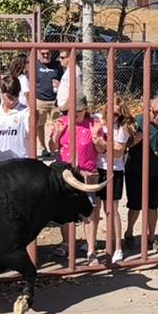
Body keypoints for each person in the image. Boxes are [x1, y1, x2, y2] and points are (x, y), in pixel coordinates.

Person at [49, 94, 99, 264]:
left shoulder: (93, 123)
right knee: (65, 210)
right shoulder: (62, 122)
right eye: (72, 110)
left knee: (88, 212)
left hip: (87, 173)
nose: (75, 113)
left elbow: (102, 149)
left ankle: (91, 250)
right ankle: (67, 242)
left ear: (85, 109)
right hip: (66, 174)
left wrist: (96, 138)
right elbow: (52, 147)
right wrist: (57, 134)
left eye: (78, 110)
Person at [92, 95, 135, 264]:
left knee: (111, 209)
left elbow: (118, 152)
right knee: (94, 208)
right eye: (111, 112)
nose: (113, 116)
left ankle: (117, 246)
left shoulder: (122, 128)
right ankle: (92, 242)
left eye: (117, 114)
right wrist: (105, 146)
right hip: (96, 168)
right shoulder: (97, 119)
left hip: (114, 170)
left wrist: (103, 145)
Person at [123, 96, 158, 253]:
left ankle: (151, 238)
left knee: (153, 206)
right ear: (149, 109)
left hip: (154, 172)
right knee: (135, 206)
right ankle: (129, 233)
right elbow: (125, 144)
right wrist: (137, 139)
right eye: (156, 112)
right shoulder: (138, 121)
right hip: (135, 171)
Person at [0, 75, 30, 162]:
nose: (12, 102)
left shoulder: (25, 112)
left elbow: (31, 134)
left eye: (16, 97)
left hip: (20, 163)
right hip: (0, 163)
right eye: (9, 98)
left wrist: (34, 120)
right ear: (1, 92)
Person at [34, 49, 63, 159]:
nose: (46, 55)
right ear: (39, 54)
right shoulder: (35, 65)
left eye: (48, 53)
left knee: (57, 125)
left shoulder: (57, 65)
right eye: (43, 54)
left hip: (55, 100)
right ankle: (43, 147)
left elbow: (63, 80)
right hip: (40, 100)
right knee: (39, 124)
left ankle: (54, 147)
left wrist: (59, 84)